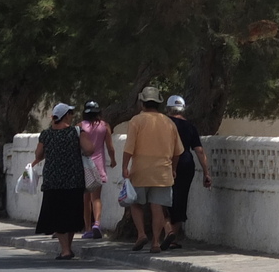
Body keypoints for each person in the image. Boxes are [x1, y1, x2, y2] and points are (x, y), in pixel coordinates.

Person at [120, 86, 184, 254]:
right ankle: (155, 242)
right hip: (162, 172)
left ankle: (141, 234)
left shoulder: (136, 121)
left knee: (135, 204)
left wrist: (124, 167)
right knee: (158, 207)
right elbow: (178, 152)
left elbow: (129, 148)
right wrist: (174, 169)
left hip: (140, 171)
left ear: (142, 103)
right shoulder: (168, 122)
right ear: (159, 104)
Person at [34, 103, 87, 259]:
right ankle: (66, 249)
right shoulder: (75, 132)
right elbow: (89, 149)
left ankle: (66, 249)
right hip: (74, 179)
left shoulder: (46, 134)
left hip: (53, 180)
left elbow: (38, 155)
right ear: (67, 116)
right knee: (71, 214)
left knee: (57, 215)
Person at [164, 94, 211, 249]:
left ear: (168, 108)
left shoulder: (164, 124)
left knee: (161, 198)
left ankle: (167, 231)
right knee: (181, 198)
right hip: (185, 162)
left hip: (165, 161)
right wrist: (206, 173)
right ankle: (172, 236)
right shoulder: (190, 127)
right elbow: (199, 150)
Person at [78, 101, 117, 240]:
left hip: (84, 165)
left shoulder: (80, 126)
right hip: (99, 164)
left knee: (86, 199)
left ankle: (88, 228)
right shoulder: (104, 126)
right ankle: (97, 223)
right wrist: (113, 160)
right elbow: (110, 147)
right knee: (96, 198)